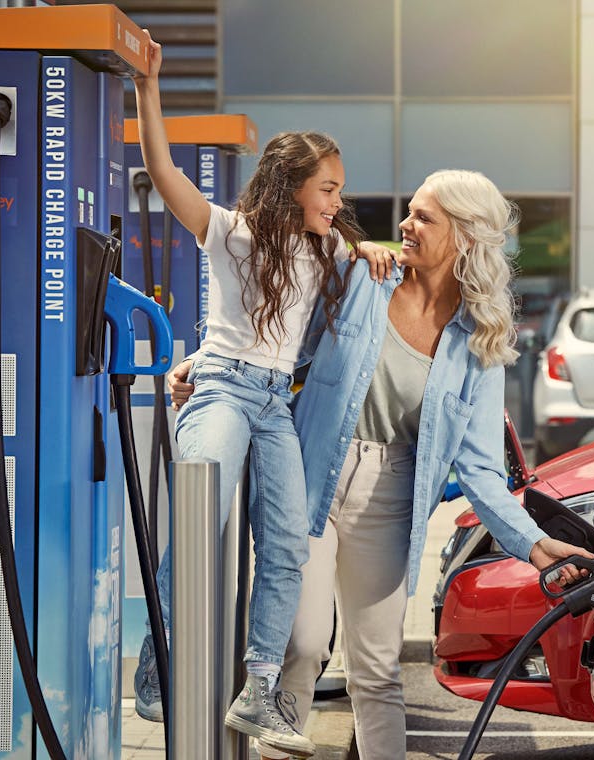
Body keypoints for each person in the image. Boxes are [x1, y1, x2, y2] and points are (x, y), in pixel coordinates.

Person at [168, 169, 594, 759]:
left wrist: (536, 543)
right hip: (309, 470)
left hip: (391, 494)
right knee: (303, 643)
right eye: (410, 212)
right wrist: (208, 366)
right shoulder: (361, 277)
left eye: (424, 217)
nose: (405, 224)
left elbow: (480, 471)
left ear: (465, 237)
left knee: (377, 667)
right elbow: (276, 334)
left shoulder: (482, 342)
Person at [130, 31, 394, 758]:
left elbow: (389, 259)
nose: (339, 201)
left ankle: (259, 692)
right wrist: (149, 90)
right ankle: (159, 657)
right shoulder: (233, 232)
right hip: (220, 389)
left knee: (284, 544)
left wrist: (372, 247)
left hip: (274, 405)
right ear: (294, 187)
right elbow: (162, 173)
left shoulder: (324, 246)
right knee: (202, 507)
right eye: (329, 189)